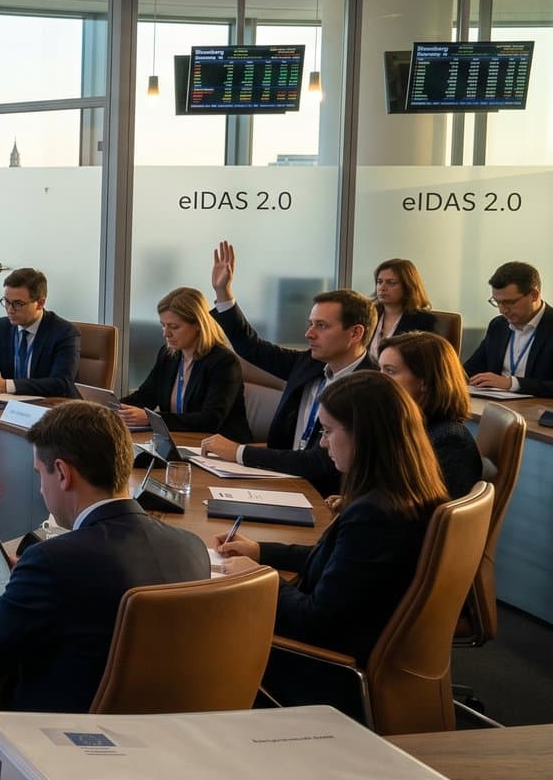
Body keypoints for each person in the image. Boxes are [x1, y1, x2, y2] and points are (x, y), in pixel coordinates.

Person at [0, 402, 208, 713]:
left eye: (40, 475)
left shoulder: (53, 562)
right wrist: (26, 584)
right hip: (168, 741)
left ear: (62, 473)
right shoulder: (192, 548)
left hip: (59, 745)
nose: (42, 490)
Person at [219, 371, 449, 680]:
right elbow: (337, 560)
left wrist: (259, 577)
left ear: (364, 435)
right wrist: (260, 550)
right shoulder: (407, 491)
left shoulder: (375, 516)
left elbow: (314, 620)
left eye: (328, 431)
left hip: (323, 663)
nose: (323, 444)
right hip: (363, 638)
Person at [199, 240, 375, 496]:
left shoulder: (371, 388)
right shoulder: (309, 364)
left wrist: (239, 451)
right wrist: (223, 293)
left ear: (355, 333)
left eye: (321, 326)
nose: (309, 333)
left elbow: (320, 463)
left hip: (322, 496)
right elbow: (252, 347)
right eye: (310, 323)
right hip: (280, 479)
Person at [118, 286, 251, 441]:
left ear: (198, 325)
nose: (166, 333)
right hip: (179, 441)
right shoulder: (169, 355)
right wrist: (108, 408)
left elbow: (210, 420)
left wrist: (151, 418)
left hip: (219, 448)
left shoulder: (223, 362)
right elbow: (145, 396)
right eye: (163, 325)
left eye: (174, 327)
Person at [379, 332, 482, 499]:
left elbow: (421, 509)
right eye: (380, 369)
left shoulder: (449, 440)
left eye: (390, 371)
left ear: (425, 382)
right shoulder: (405, 425)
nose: (379, 379)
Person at [0, 268, 80, 397]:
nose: (10, 310)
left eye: (18, 304)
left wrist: (7, 385)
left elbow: (62, 383)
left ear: (40, 303)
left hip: (53, 407)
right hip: (11, 404)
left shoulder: (64, 333)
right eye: (6, 301)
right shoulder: (0, 327)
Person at [465, 261, 551, 397]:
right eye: (497, 302)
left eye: (510, 302)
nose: (502, 310)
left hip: (537, 411)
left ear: (534, 295)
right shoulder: (498, 325)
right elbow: (471, 369)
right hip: (495, 405)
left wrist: (511, 383)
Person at [367, 258, 440, 358]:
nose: (382, 288)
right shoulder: (368, 315)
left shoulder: (424, 321)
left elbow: (426, 363)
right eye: (379, 282)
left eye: (391, 282)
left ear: (408, 286)